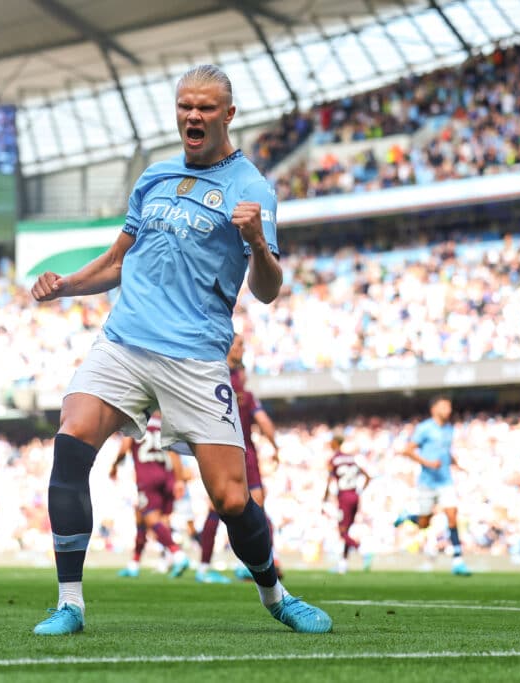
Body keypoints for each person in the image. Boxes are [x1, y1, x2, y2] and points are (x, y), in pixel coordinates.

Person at [29, 64, 332, 635]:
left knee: (231, 498)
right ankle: (70, 604)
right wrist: (66, 283)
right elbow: (118, 262)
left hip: (194, 357)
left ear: (229, 114)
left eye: (207, 108)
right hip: (124, 342)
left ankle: (276, 595)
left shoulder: (251, 188)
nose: (194, 116)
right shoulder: (154, 177)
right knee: (70, 443)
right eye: (186, 106)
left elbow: (267, 291)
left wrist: (255, 245)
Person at [197, 336, 281, 584]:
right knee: (252, 510)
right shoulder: (231, 383)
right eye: (239, 344)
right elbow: (264, 422)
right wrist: (275, 446)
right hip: (234, 451)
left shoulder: (218, 378)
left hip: (232, 451)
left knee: (227, 510)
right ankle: (263, 564)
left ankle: (213, 566)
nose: (243, 348)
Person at [394, 396, 472, 576]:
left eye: (449, 407)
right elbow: (407, 450)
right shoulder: (424, 428)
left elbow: (445, 452)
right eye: (445, 406)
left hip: (445, 480)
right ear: (434, 409)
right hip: (427, 482)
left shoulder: (449, 429)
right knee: (424, 524)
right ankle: (408, 516)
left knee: (452, 516)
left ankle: (458, 560)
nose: (448, 410)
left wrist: (457, 464)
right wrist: (427, 463)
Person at [109, 413, 190, 578]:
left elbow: (125, 448)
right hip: (167, 475)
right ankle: (135, 564)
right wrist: (179, 479)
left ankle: (177, 555)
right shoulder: (165, 423)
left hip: (147, 475)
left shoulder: (136, 421)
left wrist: (115, 466)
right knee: (144, 516)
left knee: (150, 517)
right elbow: (174, 453)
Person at [323, 433, 371, 574]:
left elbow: (329, 479)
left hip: (344, 497)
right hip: (355, 495)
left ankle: (363, 551)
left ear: (335, 443)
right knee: (347, 530)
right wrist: (360, 491)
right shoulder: (351, 458)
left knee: (342, 532)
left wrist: (325, 497)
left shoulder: (333, 460)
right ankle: (343, 564)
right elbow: (368, 476)